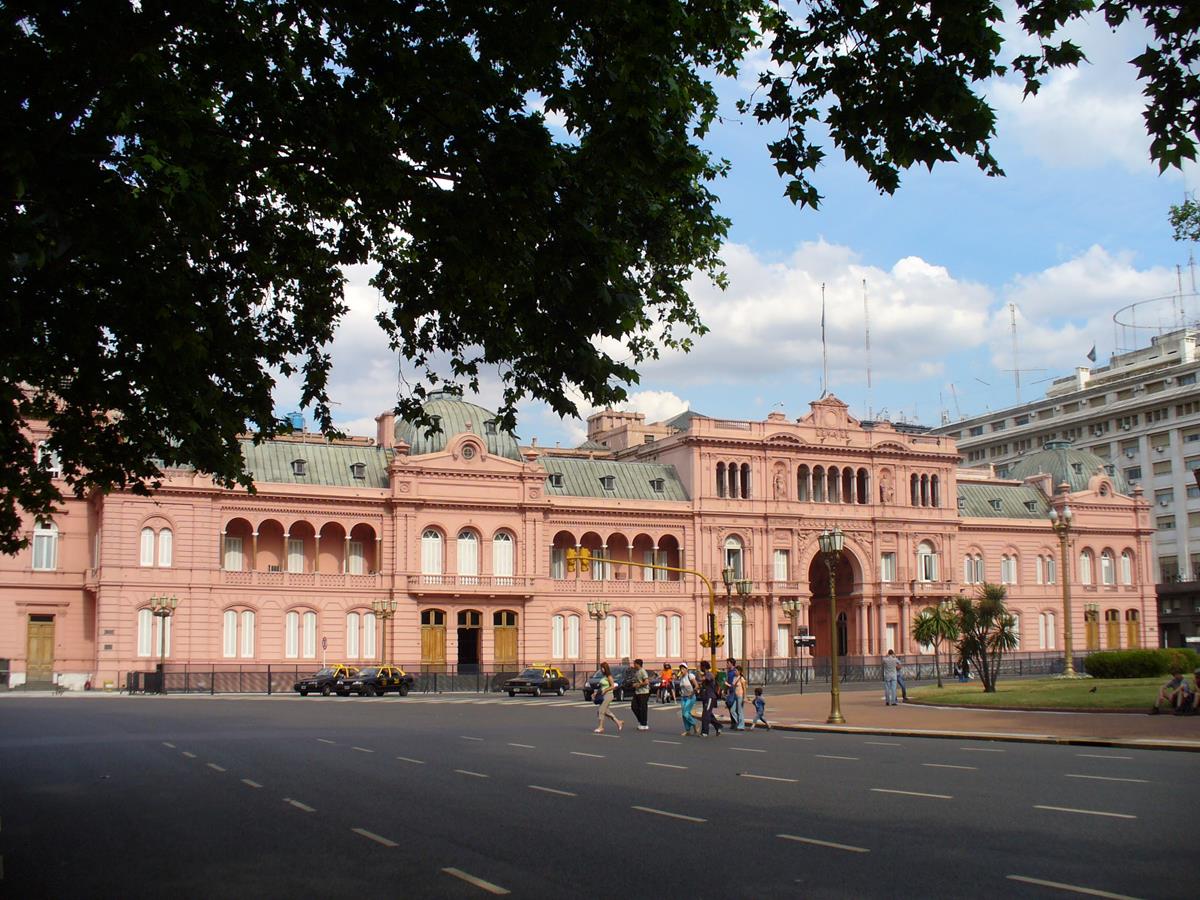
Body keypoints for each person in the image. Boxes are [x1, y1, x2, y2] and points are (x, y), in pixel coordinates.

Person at [594, 661, 623, 733]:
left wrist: (606, 690)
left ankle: (601, 727)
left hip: (609, 695)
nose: (601, 670)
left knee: (601, 710)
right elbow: (602, 687)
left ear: (606, 668)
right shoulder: (603, 677)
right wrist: (596, 693)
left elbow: (613, 686)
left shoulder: (609, 676)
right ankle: (618, 722)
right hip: (603, 695)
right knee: (606, 711)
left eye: (602, 668)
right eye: (601, 668)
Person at [698, 659, 723, 737]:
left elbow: (704, 679)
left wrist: (698, 674)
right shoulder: (705, 675)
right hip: (705, 697)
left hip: (710, 697)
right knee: (709, 714)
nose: (700, 668)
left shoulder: (709, 674)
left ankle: (705, 732)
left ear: (704, 667)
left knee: (705, 714)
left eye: (701, 666)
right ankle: (718, 726)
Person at [676, 663, 699, 736]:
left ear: (686, 669)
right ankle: (688, 730)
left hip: (690, 697)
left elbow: (696, 686)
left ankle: (695, 724)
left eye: (683, 668)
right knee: (684, 714)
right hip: (683, 697)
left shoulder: (690, 676)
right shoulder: (682, 677)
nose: (682, 670)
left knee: (686, 714)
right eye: (681, 669)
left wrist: (691, 694)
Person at [630, 657, 651, 730]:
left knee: (643, 708)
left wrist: (639, 685)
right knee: (634, 706)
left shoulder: (642, 671)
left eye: (634, 664)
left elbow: (646, 682)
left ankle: (644, 724)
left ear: (638, 664)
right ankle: (641, 720)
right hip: (637, 692)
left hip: (644, 692)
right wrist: (634, 684)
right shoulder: (637, 671)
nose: (634, 665)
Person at [724, 658, 740, 728]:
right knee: (730, 706)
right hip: (730, 691)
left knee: (733, 708)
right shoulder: (729, 672)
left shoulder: (734, 672)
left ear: (731, 663)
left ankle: (736, 722)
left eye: (728, 663)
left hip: (734, 692)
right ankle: (733, 722)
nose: (727, 664)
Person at [732, 664, 748, 729]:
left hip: (740, 696)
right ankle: (739, 722)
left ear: (739, 671)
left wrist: (745, 697)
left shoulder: (742, 678)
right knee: (732, 710)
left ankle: (741, 726)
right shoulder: (734, 678)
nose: (734, 672)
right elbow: (733, 686)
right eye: (734, 671)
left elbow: (744, 688)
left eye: (735, 671)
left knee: (739, 711)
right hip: (735, 696)